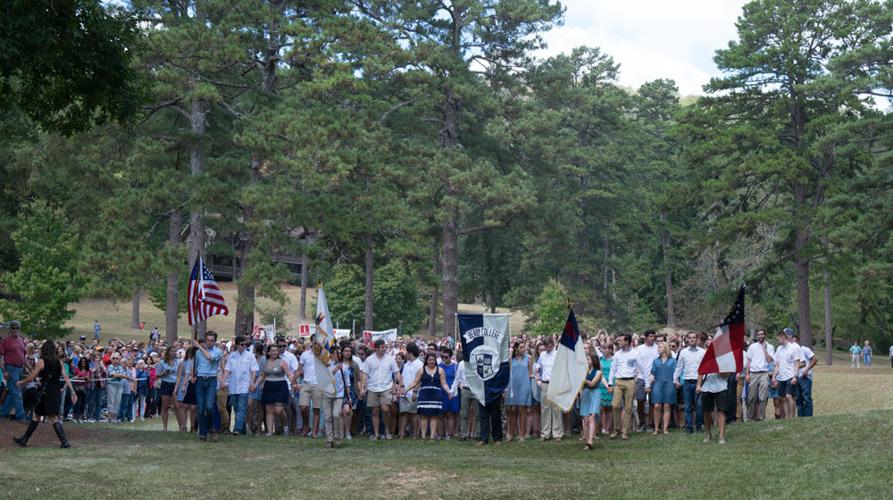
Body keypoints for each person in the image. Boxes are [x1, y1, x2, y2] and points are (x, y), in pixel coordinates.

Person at [13, 340, 78, 448]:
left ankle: (64, 442)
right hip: (55, 391)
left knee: (50, 417)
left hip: (45, 392)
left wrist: (21, 383)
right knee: (38, 415)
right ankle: (24, 440)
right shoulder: (59, 362)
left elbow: (31, 377)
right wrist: (73, 391)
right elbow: (66, 377)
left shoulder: (41, 362)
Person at [361, 339, 402, 440]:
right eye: (382, 347)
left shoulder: (390, 359)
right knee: (375, 411)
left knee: (385, 409)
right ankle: (376, 434)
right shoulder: (369, 360)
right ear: (376, 348)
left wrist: (401, 385)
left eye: (385, 347)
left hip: (386, 387)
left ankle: (387, 431)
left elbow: (396, 372)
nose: (385, 349)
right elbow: (365, 374)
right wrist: (363, 387)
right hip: (372, 387)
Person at [406, 352, 452, 440]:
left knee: (434, 416)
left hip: (436, 396)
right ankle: (423, 436)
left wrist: (449, 392)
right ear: (426, 361)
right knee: (423, 416)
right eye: (430, 360)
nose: (432, 361)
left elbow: (444, 383)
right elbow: (415, 382)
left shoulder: (440, 370)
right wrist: (406, 390)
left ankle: (431, 436)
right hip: (424, 395)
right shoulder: (421, 370)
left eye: (434, 360)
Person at [222, 336, 259, 435]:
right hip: (233, 386)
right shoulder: (232, 356)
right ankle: (242, 430)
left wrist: (252, 383)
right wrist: (223, 381)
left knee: (242, 408)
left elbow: (254, 370)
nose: (244, 346)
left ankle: (236, 429)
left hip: (244, 385)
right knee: (236, 408)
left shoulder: (250, 356)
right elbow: (227, 369)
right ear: (237, 345)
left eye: (245, 344)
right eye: (242, 344)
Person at [257, 344, 295, 436]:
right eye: (272, 350)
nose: (274, 352)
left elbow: (289, 374)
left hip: (280, 385)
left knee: (278, 410)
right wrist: (255, 385)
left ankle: (285, 425)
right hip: (268, 386)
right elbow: (262, 376)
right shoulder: (265, 363)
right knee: (269, 409)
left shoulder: (282, 362)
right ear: (268, 352)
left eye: (276, 350)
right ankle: (269, 432)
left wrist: (293, 383)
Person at [192, 332, 224, 441]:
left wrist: (199, 346)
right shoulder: (198, 353)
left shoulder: (219, 351)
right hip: (200, 380)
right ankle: (202, 433)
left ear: (215, 341)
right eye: (208, 340)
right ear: (206, 340)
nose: (209, 342)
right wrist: (193, 376)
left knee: (209, 407)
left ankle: (211, 427)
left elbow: (210, 358)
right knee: (200, 409)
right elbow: (195, 366)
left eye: (212, 340)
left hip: (211, 380)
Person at [673, 332, 705, 434]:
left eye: (694, 338)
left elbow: (705, 368)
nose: (692, 339)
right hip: (686, 382)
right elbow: (679, 367)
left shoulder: (702, 352)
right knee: (687, 406)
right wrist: (675, 379)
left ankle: (699, 425)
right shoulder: (683, 352)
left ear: (697, 339)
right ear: (687, 339)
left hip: (698, 381)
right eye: (690, 338)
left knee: (699, 405)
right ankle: (689, 427)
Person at [608, 334, 638, 440]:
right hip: (619, 381)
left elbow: (640, 367)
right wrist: (610, 383)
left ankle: (625, 432)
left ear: (627, 341)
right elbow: (613, 369)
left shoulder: (635, 353)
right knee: (615, 405)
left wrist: (639, 380)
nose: (619, 342)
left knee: (628, 408)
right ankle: (617, 430)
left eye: (621, 340)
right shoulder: (617, 354)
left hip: (630, 381)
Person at [772, 328, 804, 419]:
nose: (778, 341)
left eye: (778, 339)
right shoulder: (779, 349)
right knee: (782, 398)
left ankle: (792, 417)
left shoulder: (793, 348)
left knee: (789, 396)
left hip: (790, 376)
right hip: (781, 377)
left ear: (783, 337)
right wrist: (774, 376)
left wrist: (795, 376)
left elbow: (797, 363)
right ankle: (786, 418)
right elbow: (777, 364)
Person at [646, 341, 677, 435]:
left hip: (669, 384)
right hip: (658, 384)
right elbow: (652, 374)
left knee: (667, 406)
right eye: (658, 347)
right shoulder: (656, 361)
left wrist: (677, 382)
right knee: (656, 406)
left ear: (665, 348)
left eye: (660, 347)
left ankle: (665, 429)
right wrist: (648, 385)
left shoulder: (673, 361)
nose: (658, 348)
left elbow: (676, 373)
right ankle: (656, 428)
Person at [0, 320, 29, 422]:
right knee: (17, 393)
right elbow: (0, 357)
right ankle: (21, 416)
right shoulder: (5, 340)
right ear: (10, 328)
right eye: (13, 327)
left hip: (20, 368)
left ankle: (2, 413)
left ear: (19, 329)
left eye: (17, 327)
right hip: (10, 368)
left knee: (13, 392)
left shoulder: (21, 341)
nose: (15, 329)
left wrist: (31, 369)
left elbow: (23, 357)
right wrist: (4, 370)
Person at [535, 336, 562, 441]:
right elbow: (537, 368)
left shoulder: (558, 354)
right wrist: (538, 381)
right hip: (545, 384)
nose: (547, 348)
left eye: (549, 346)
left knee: (556, 409)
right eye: (546, 346)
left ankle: (557, 434)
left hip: (555, 383)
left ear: (553, 344)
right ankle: (545, 433)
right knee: (545, 409)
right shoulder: (542, 355)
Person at [744, 330, 774, 421]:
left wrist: (764, 348)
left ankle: (762, 417)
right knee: (751, 397)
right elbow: (749, 361)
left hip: (764, 373)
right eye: (758, 335)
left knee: (762, 397)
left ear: (765, 335)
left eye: (762, 334)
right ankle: (749, 417)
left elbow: (769, 360)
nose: (760, 336)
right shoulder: (752, 346)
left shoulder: (770, 347)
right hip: (753, 373)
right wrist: (747, 374)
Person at [506, 342, 533, 441]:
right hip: (513, 387)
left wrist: (531, 385)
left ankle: (522, 434)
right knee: (512, 410)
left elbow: (530, 373)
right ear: (516, 349)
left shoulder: (528, 358)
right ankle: (510, 433)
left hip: (524, 386)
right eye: (521, 347)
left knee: (522, 410)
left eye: (524, 347)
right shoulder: (510, 359)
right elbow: (508, 373)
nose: (523, 349)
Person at [634, 330, 659, 431]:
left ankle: (651, 423)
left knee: (653, 401)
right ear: (645, 338)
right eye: (650, 336)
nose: (652, 338)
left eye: (653, 336)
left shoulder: (658, 348)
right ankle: (642, 422)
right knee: (640, 400)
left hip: (654, 377)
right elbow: (636, 363)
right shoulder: (639, 349)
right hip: (641, 377)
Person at [697, 369, 729, 444]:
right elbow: (701, 371)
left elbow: (726, 374)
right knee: (706, 412)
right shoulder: (705, 358)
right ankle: (708, 433)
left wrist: (716, 368)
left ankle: (721, 436)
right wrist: (698, 385)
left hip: (721, 387)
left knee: (721, 411)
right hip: (707, 387)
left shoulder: (725, 359)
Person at [297, 338, 322, 438]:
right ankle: (307, 426)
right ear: (311, 342)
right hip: (306, 383)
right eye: (314, 342)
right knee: (303, 407)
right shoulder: (305, 354)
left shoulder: (323, 355)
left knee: (316, 409)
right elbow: (299, 369)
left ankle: (314, 432)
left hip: (318, 384)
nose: (316, 344)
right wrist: (293, 381)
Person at [398, 342, 423, 439]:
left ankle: (415, 433)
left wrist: (415, 391)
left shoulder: (419, 364)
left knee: (414, 414)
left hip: (413, 393)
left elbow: (419, 380)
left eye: (406, 352)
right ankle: (402, 434)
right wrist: (401, 388)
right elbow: (402, 377)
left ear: (411, 353)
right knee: (403, 413)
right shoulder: (406, 364)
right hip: (404, 393)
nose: (405, 354)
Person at [155, 346, 182, 432]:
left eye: (175, 351)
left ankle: (181, 427)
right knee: (165, 407)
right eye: (171, 351)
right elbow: (156, 375)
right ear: (168, 352)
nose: (173, 353)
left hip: (175, 384)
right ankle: (165, 428)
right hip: (165, 384)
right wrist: (163, 373)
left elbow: (179, 375)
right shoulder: (162, 363)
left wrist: (177, 388)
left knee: (177, 407)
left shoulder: (179, 362)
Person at [580, 353, 603, 450]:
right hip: (585, 394)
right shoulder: (583, 371)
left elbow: (592, 383)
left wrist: (583, 379)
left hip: (595, 394)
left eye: (588, 359)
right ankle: (587, 441)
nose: (587, 361)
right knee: (585, 419)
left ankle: (590, 441)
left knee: (592, 417)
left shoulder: (598, 372)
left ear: (593, 361)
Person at [792, 335, 816, 417]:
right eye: (792, 342)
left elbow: (814, 359)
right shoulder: (792, 352)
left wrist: (807, 369)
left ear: (798, 341)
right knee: (798, 399)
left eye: (795, 341)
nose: (794, 344)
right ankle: (801, 417)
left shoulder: (804, 349)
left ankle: (808, 416)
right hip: (796, 377)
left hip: (805, 377)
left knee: (806, 397)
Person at [439, 348, 459, 439]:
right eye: (442, 356)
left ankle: (450, 434)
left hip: (452, 392)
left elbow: (458, 379)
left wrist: (453, 391)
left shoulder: (455, 366)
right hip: (441, 392)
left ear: (451, 357)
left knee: (450, 414)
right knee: (441, 414)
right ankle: (442, 433)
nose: (444, 358)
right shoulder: (439, 366)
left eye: (446, 357)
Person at [599, 343, 614, 436]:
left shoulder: (614, 360)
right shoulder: (600, 360)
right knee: (601, 408)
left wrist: (611, 385)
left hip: (612, 384)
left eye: (605, 348)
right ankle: (603, 428)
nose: (603, 350)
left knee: (610, 408)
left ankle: (608, 428)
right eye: (602, 348)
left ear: (610, 350)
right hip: (601, 385)